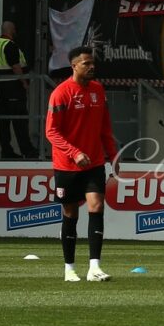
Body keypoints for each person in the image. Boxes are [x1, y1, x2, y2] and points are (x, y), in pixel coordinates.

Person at [45, 46, 118, 283]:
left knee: (96, 207)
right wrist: (74, 152)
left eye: (92, 63)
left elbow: (105, 128)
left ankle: (95, 267)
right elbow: (51, 132)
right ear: (74, 66)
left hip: (94, 162)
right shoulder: (61, 93)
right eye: (86, 63)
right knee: (70, 213)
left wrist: (113, 155)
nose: (91, 67)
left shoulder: (98, 90)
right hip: (67, 165)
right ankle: (69, 269)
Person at [0, 20, 37, 160]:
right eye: (14, 29)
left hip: (1, 91)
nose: (16, 31)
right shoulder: (10, 45)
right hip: (14, 90)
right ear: (11, 30)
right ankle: (27, 151)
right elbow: (16, 66)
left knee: (4, 123)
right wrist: (24, 83)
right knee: (20, 122)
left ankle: (6, 151)